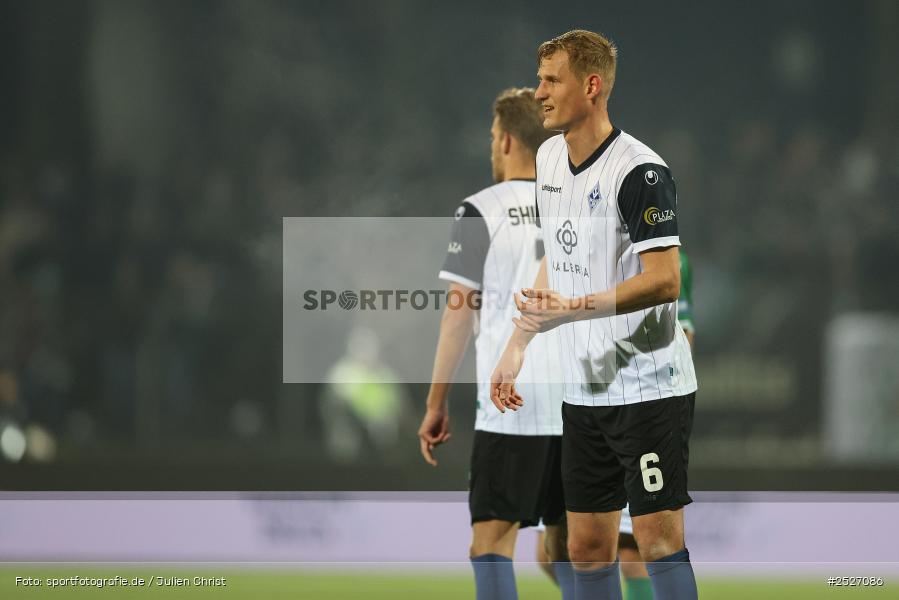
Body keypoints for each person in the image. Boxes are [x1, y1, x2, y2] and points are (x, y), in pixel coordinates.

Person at [491, 30, 698, 600]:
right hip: (586, 392)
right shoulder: (551, 158)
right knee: (582, 548)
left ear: (592, 85)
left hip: (648, 387)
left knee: (657, 542)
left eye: (551, 80)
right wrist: (517, 345)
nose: (539, 93)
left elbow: (665, 279)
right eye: (538, 80)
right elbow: (553, 262)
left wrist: (573, 309)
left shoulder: (640, 172)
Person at [417, 88, 573, 600]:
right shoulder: (576, 204)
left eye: (491, 137)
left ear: (506, 140)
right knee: (570, 546)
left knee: (491, 541)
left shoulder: (480, 210)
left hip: (514, 404)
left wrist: (436, 401)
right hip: (580, 403)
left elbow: (458, 315)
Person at [536, 251, 694, 600]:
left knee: (642, 548)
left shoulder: (670, 260)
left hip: (639, 403)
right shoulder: (569, 249)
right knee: (555, 551)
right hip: (572, 408)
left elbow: (681, 329)